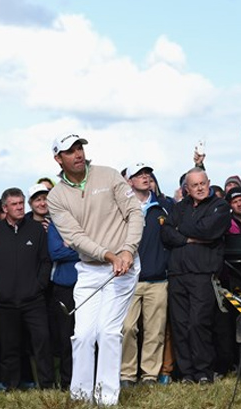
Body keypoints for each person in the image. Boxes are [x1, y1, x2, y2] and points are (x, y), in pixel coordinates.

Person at [47, 132, 143, 406]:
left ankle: (106, 398)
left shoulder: (109, 175)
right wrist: (108, 255)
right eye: (70, 151)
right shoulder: (56, 196)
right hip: (90, 269)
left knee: (108, 332)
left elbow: (135, 213)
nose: (78, 154)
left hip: (124, 266)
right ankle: (80, 397)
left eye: (80, 148)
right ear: (58, 158)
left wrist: (127, 250)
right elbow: (75, 237)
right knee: (83, 335)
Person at [0, 187, 54, 390]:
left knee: (42, 342)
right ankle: (11, 387)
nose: (20, 207)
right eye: (15, 204)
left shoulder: (36, 230)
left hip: (33, 300)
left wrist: (39, 285)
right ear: (5, 207)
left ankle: (47, 385)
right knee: (9, 347)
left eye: (21, 203)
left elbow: (45, 261)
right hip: (4, 301)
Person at [160, 167, 230, 384]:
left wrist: (182, 230)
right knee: (179, 324)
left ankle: (203, 372)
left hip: (202, 274)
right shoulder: (179, 208)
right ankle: (186, 373)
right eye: (195, 185)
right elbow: (166, 233)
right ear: (187, 189)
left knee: (198, 323)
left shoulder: (220, 206)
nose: (200, 188)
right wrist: (188, 236)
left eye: (203, 183)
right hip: (177, 273)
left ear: (208, 183)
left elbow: (209, 231)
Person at [120, 163, 171, 387]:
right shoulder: (120, 208)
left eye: (146, 174)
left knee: (155, 330)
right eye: (138, 175)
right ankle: (127, 374)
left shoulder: (165, 206)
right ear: (129, 181)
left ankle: (149, 374)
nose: (144, 177)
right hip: (128, 279)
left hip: (158, 278)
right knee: (127, 328)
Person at [47, 221, 79, 391]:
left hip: (91, 284)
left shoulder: (90, 220)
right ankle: (67, 381)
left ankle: (90, 377)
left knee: (90, 334)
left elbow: (100, 249)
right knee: (66, 336)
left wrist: (71, 246)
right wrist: (83, 249)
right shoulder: (56, 224)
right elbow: (56, 252)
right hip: (65, 286)